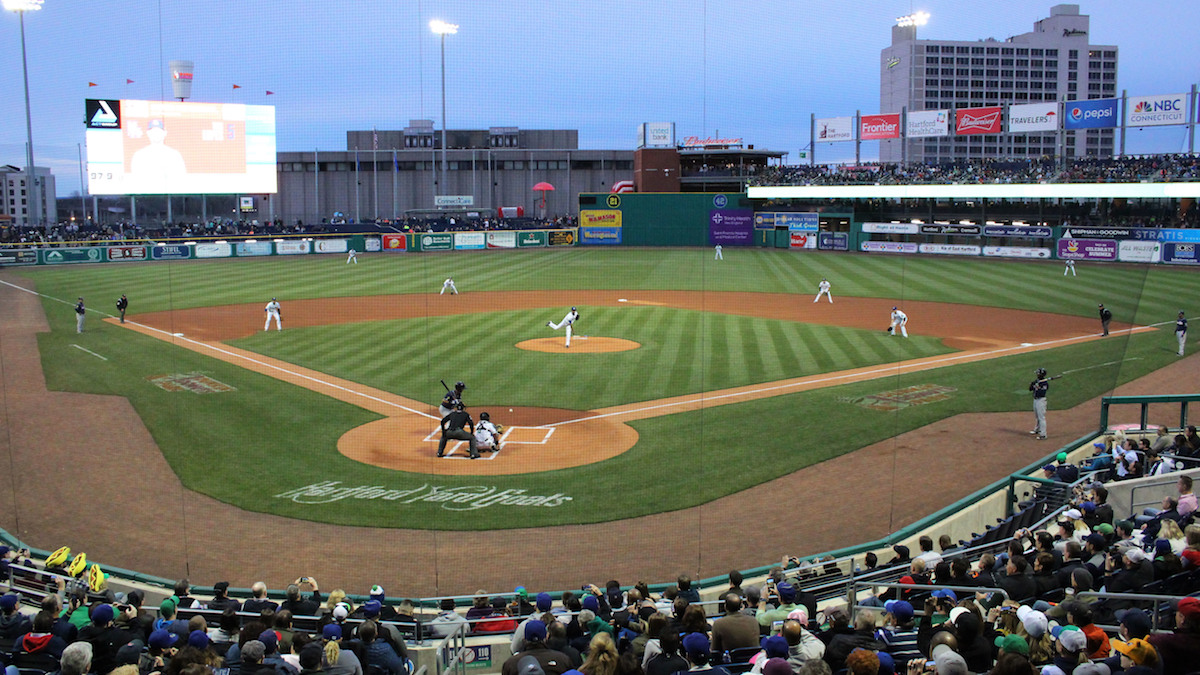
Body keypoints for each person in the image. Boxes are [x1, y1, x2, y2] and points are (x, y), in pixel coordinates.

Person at [1029, 368, 1050, 441]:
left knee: (1041, 418)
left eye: (1038, 373)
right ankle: (1037, 429)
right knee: (1037, 416)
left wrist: (1038, 386)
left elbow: (1042, 393)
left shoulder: (1044, 383)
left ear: (1041, 374)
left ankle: (1043, 435)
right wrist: (1032, 384)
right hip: (1035, 400)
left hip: (1041, 401)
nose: (1037, 374)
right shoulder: (1037, 381)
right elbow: (1030, 389)